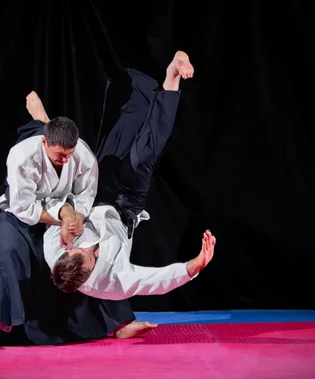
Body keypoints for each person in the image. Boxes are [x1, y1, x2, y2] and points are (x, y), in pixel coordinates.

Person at [0, 92, 154, 348]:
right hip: (21, 215)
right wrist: (63, 218)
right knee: (7, 251)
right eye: (60, 154)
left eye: (70, 153)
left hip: (65, 211)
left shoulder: (82, 155)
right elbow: (24, 207)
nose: (66, 160)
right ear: (45, 143)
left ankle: (119, 323)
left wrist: (77, 218)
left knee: (86, 256)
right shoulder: (22, 158)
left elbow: (86, 194)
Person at [44, 51, 216, 301]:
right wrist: (197, 264)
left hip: (92, 197)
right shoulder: (112, 283)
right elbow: (157, 281)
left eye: (77, 248)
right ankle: (171, 78)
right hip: (126, 208)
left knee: (119, 132)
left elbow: (51, 205)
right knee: (145, 155)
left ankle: (134, 88)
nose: (86, 246)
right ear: (91, 272)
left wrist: (67, 214)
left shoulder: (55, 249)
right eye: (90, 253)